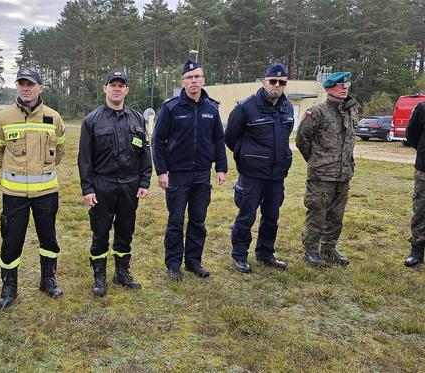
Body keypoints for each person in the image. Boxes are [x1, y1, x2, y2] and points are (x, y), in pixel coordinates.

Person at [0, 67, 66, 308]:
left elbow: (60, 151)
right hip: (14, 194)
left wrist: (40, 171)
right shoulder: (2, 117)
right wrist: (15, 169)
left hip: (46, 193)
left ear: (40, 88)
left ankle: (48, 280)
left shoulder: (54, 117)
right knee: (11, 242)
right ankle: (9, 288)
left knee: (49, 239)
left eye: (30, 84)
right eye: (21, 83)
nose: (25, 88)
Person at [77, 70, 152, 297]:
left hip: (130, 185)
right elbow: (84, 159)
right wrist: (87, 189)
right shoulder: (91, 120)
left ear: (127, 90)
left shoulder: (137, 119)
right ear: (105, 88)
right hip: (102, 184)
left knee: (125, 230)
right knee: (100, 232)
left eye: (121, 85)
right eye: (113, 85)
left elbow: (145, 153)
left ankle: (122, 273)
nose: (117, 89)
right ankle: (99, 276)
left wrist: (144, 181)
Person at [152, 58, 227, 281]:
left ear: (203, 80)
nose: (194, 81)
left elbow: (218, 139)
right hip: (177, 174)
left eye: (197, 77)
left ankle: (194, 262)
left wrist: (221, 167)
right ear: (183, 82)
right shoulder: (171, 107)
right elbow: (158, 141)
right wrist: (162, 171)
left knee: (198, 220)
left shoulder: (212, 108)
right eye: (189, 78)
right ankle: (173, 264)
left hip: (202, 174)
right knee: (175, 220)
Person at [224, 63, 294, 273]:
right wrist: (245, 155)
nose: (277, 86)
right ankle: (240, 255)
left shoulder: (287, 107)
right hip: (252, 174)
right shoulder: (246, 107)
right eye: (273, 81)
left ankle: (265, 253)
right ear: (264, 81)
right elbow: (230, 137)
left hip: (276, 175)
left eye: (282, 82)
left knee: (272, 217)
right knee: (246, 216)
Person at [296, 71, 360, 267]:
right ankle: (311, 250)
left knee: (336, 215)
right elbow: (302, 140)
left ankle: (329, 247)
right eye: (339, 84)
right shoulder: (317, 112)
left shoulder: (351, 110)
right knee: (317, 213)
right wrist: (317, 160)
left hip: (344, 174)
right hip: (322, 175)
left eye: (346, 84)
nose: (344, 87)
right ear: (328, 88)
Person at [404, 101, 425, 267]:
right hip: (424, 169)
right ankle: (417, 248)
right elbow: (411, 134)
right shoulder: (423, 108)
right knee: (421, 210)